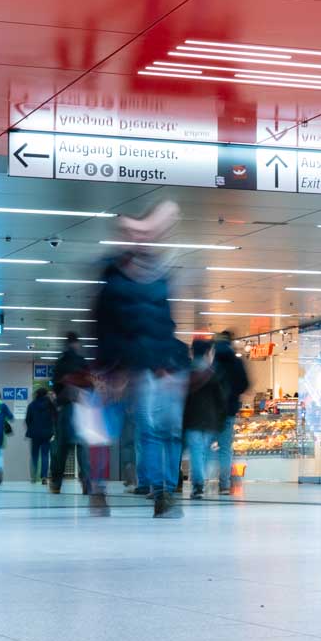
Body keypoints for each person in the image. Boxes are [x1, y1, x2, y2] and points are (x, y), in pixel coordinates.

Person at [95, 201, 190, 518]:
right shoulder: (112, 274)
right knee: (109, 427)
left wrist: (166, 363)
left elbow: (166, 324)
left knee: (149, 428)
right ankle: (98, 489)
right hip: (119, 366)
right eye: (133, 235)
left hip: (148, 366)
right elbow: (101, 322)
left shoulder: (159, 277)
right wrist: (108, 367)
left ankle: (161, 492)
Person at [186, 332, 250, 498]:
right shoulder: (234, 363)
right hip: (224, 413)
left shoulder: (208, 366)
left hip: (201, 415)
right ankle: (224, 484)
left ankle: (200, 483)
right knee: (225, 450)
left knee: (202, 450)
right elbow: (243, 385)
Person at [49, 333, 96, 497]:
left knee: (62, 448)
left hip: (66, 408)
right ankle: (86, 483)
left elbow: (55, 387)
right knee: (82, 447)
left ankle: (56, 483)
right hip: (82, 409)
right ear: (76, 344)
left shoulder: (60, 363)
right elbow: (91, 385)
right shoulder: (83, 363)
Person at [25, 385, 56, 484]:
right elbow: (54, 418)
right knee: (45, 455)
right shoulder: (50, 405)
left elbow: (27, 420)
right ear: (46, 395)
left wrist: (32, 427)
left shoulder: (31, 405)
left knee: (34, 455)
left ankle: (33, 477)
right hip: (47, 434)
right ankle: (44, 477)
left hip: (35, 434)